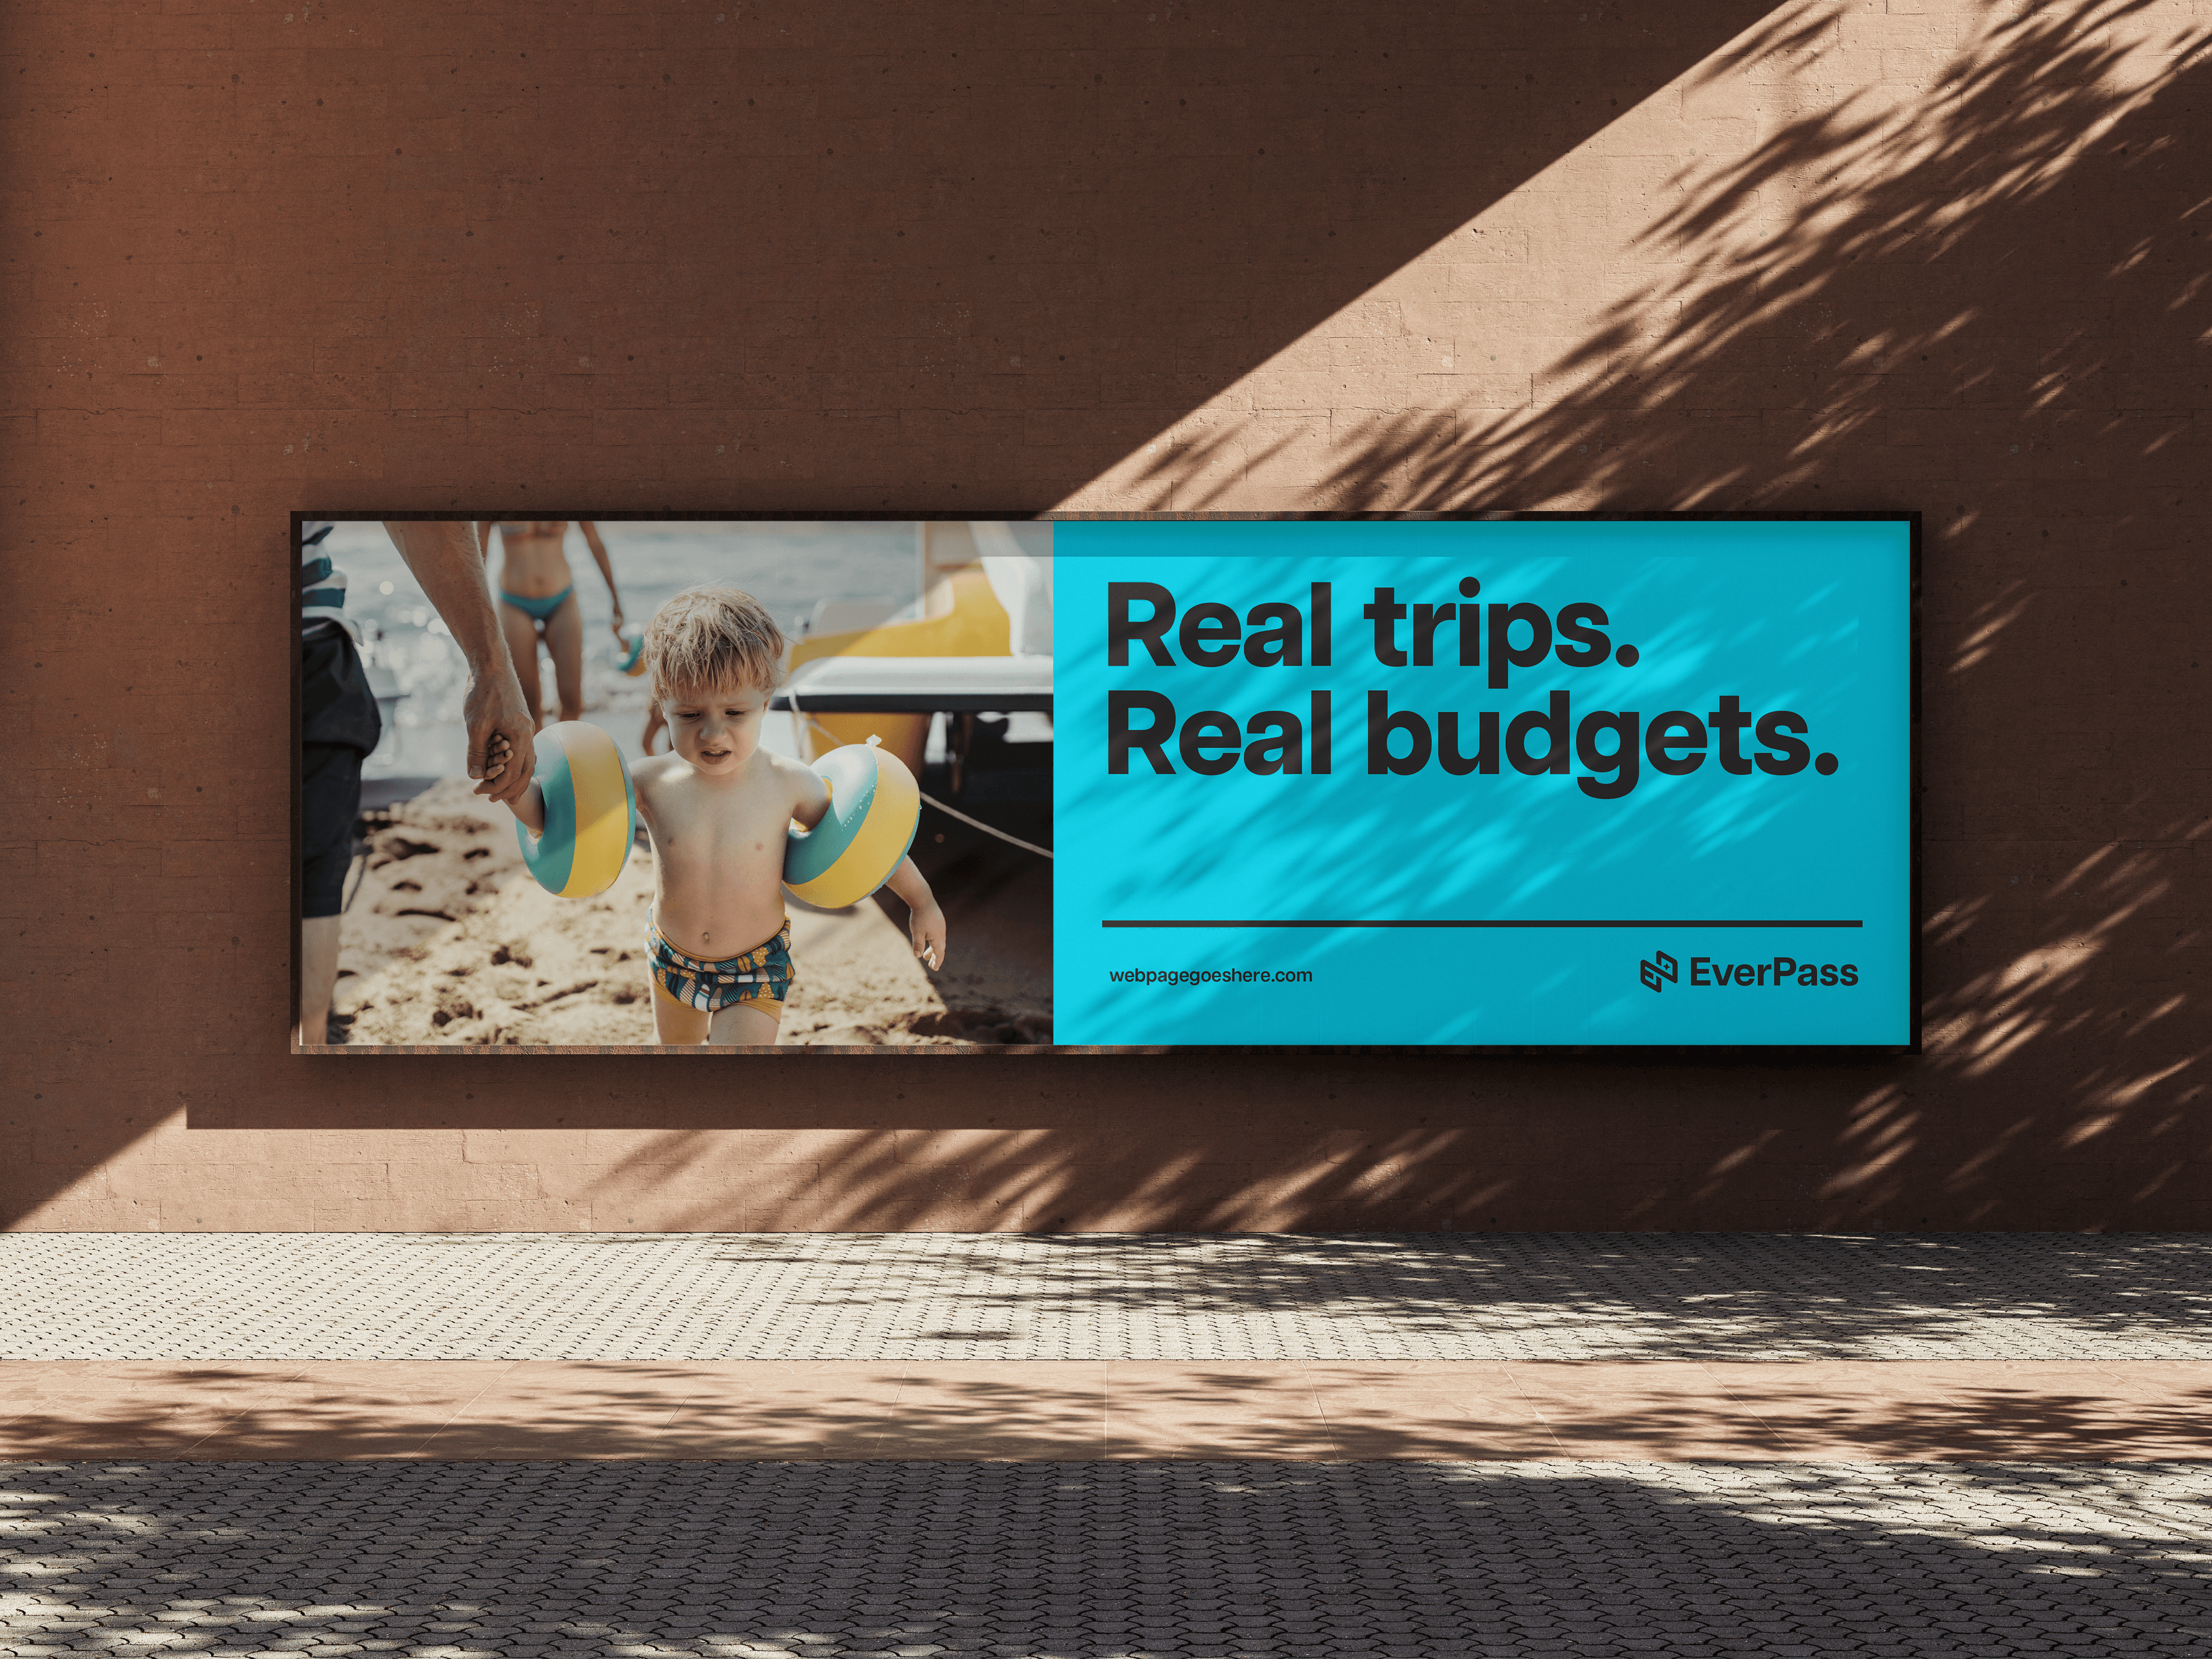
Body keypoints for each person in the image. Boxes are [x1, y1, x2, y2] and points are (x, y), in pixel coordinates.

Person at [499, 584, 948, 1046]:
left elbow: (864, 843)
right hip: (671, 959)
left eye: (735, 712)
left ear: (766, 701)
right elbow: (557, 821)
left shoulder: (788, 783)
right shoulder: (648, 782)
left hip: (754, 969)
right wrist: (516, 792)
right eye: (690, 715)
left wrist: (922, 902)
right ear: (663, 705)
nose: (714, 733)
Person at [296, 520, 535, 1046]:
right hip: (308, 652)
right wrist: (492, 668)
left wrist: (491, 668)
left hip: (309, 648)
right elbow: (417, 505)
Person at [479, 520, 625, 728]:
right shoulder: (496, 491)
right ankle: (537, 760)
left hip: (562, 600)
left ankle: (564, 759)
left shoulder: (566, 489)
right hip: (514, 604)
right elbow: (478, 555)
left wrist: (616, 599)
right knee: (528, 708)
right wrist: (478, 617)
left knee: (573, 702)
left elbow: (595, 543)